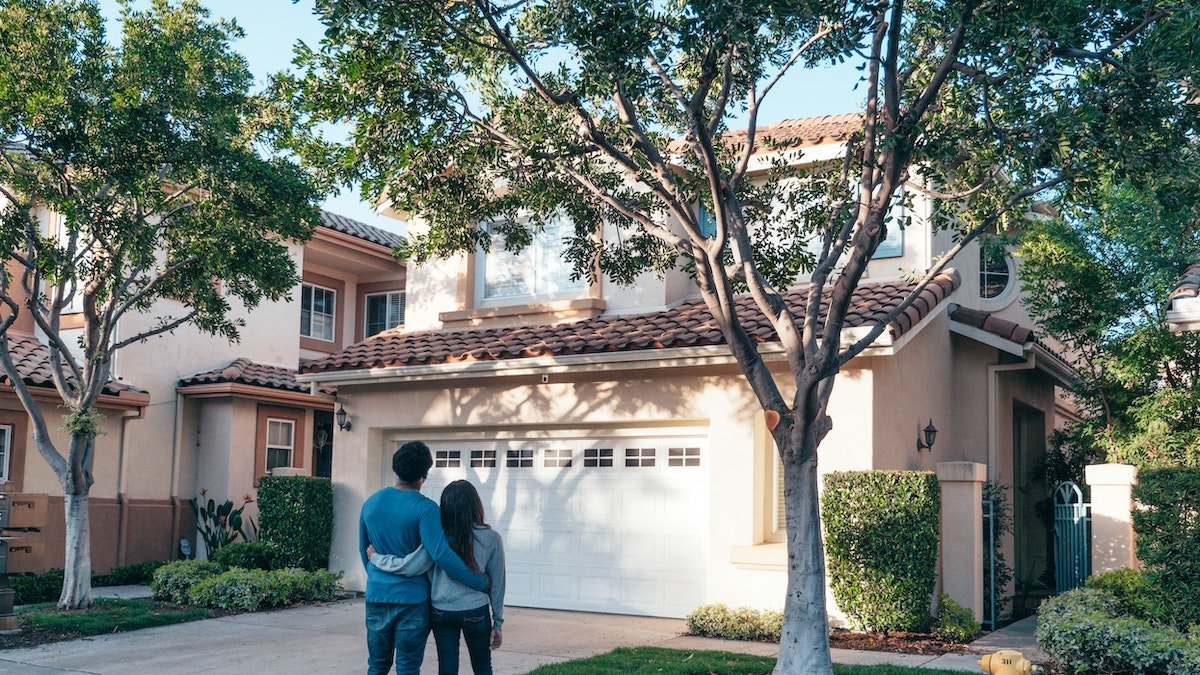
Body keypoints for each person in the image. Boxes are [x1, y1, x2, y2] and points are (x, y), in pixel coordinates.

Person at [360, 442, 489, 675]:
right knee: (408, 667)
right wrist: (478, 582)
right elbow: (441, 555)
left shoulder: (370, 504)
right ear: (423, 476)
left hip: (377, 595)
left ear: (396, 470)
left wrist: (379, 580)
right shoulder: (427, 509)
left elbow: (364, 551)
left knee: (377, 665)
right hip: (412, 600)